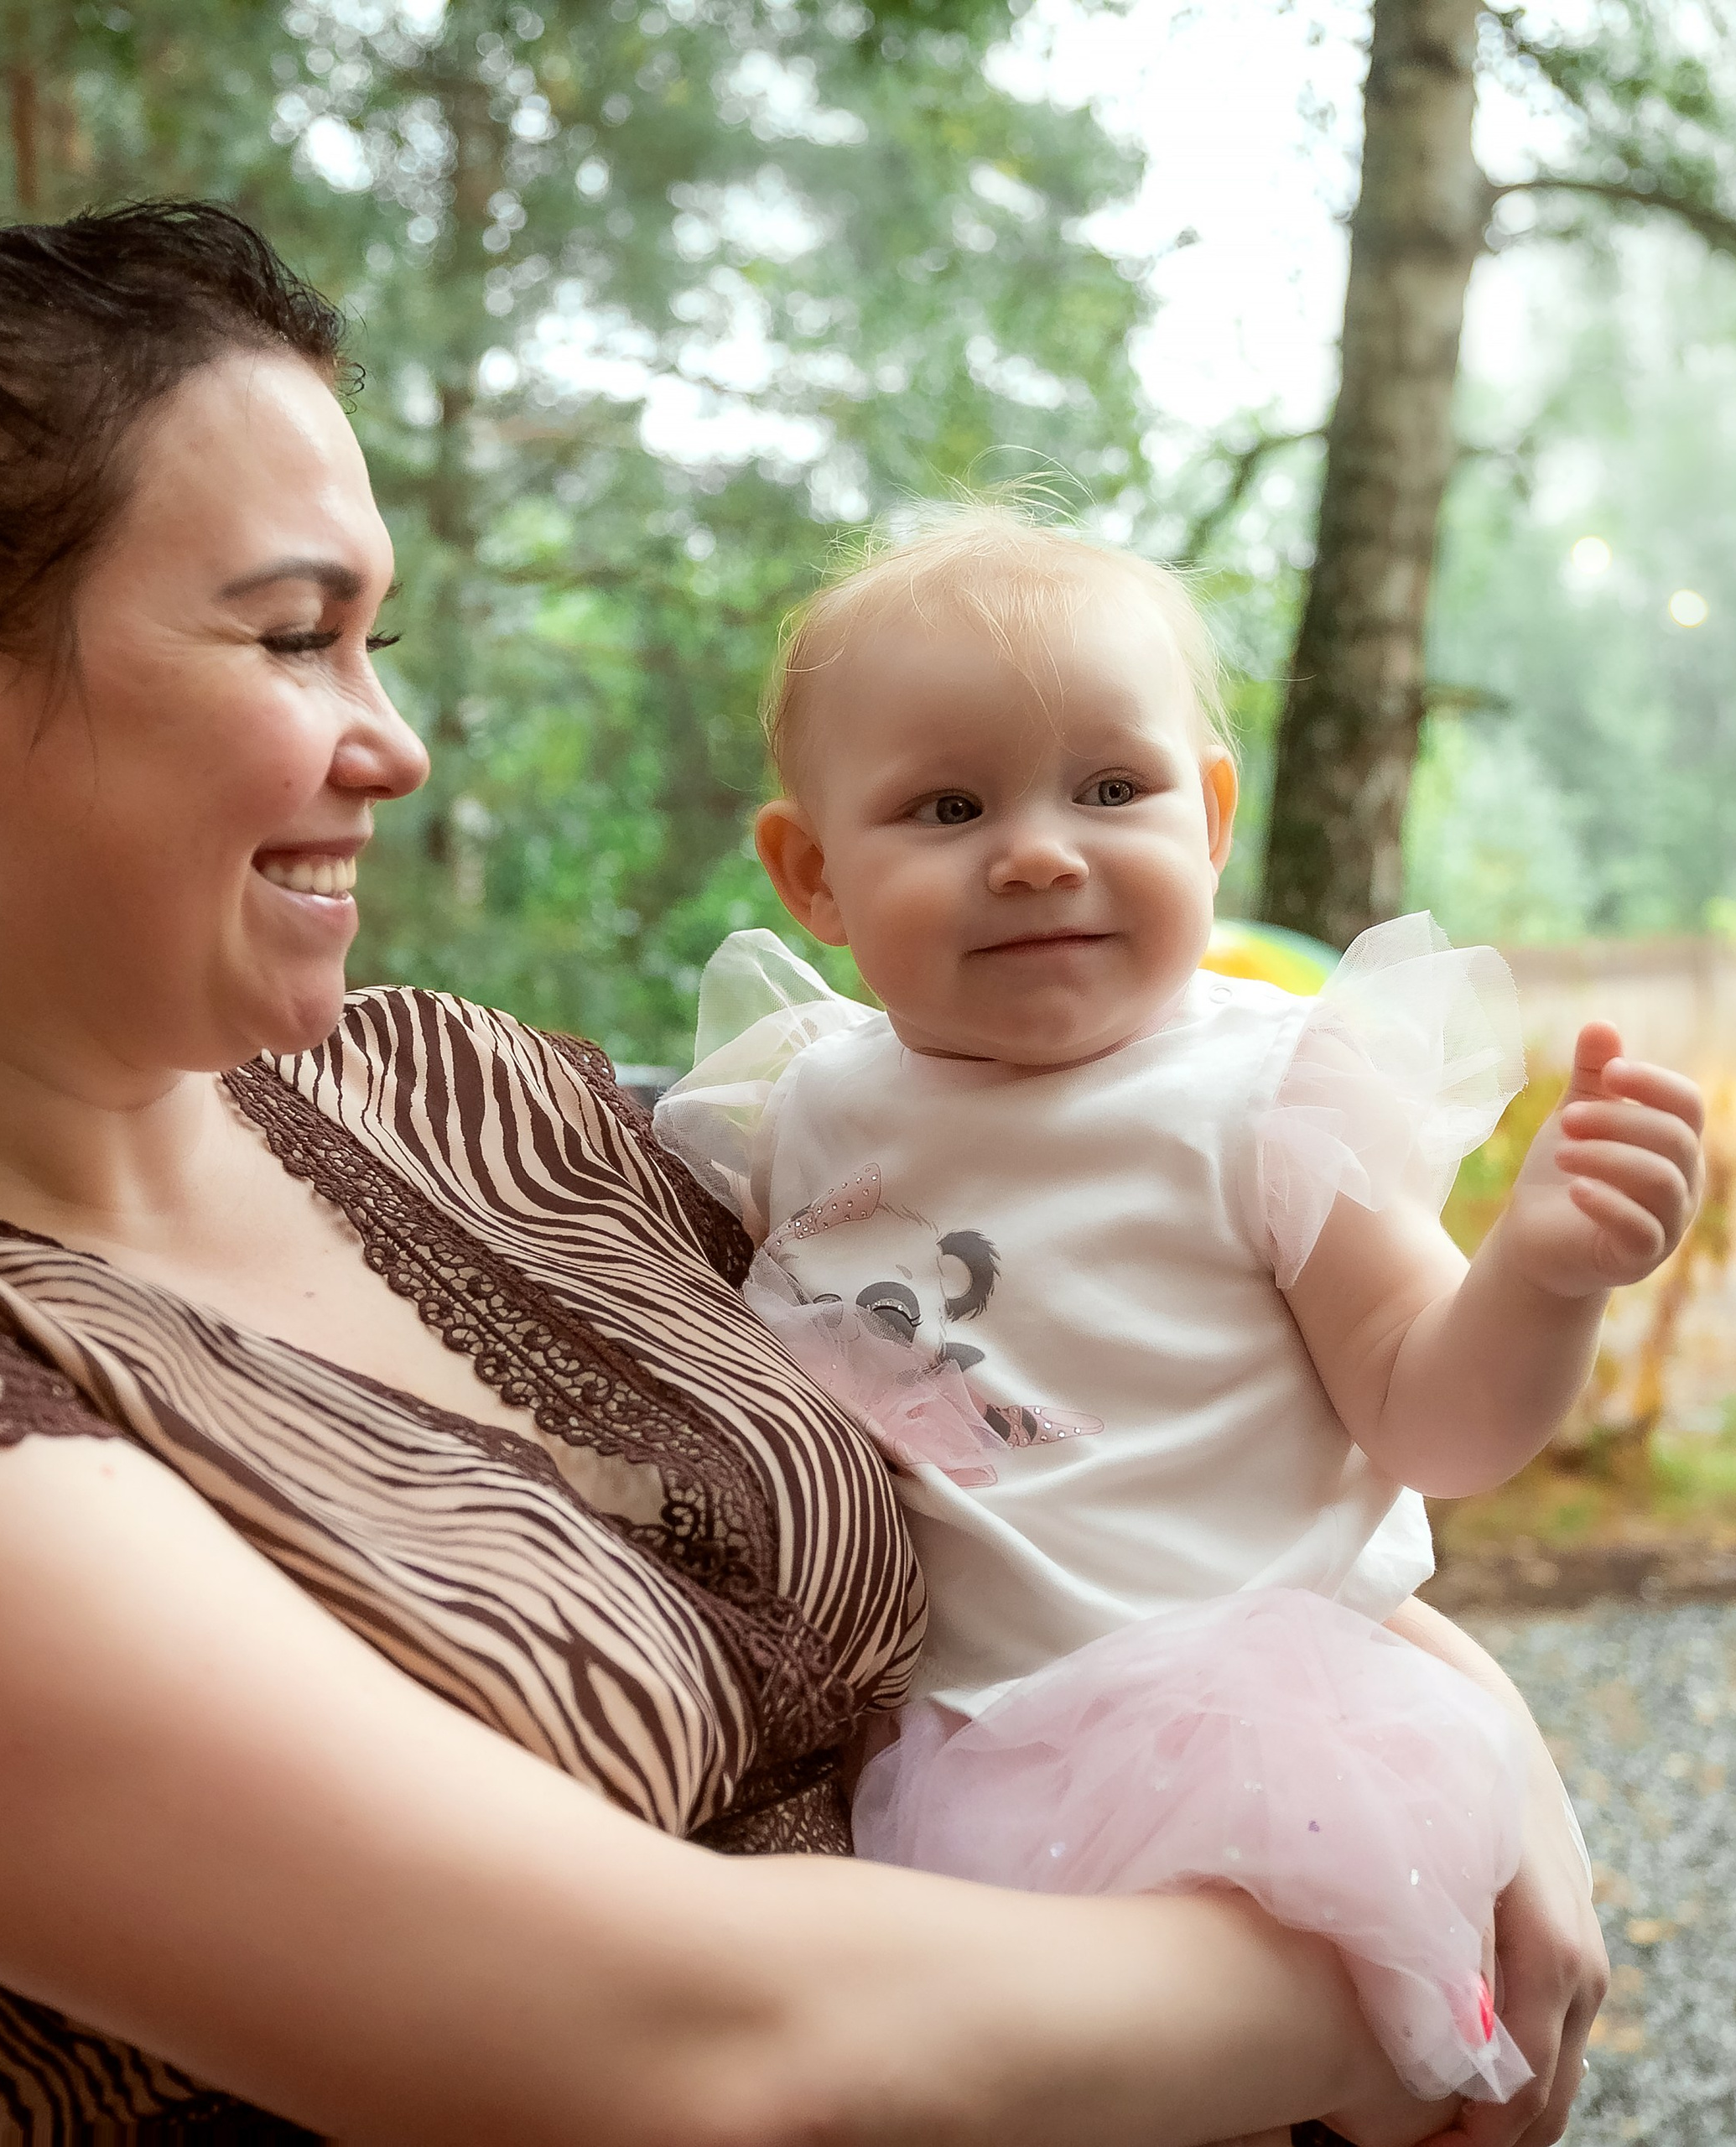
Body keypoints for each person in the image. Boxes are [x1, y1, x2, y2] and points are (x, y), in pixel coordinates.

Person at [0, 132, 1603, 2147]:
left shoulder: (461, 1099)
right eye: (292, 636)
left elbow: (1088, 1436)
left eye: (377, 642)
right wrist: (1385, 1977)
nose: (393, 742)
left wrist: (1447, 1734)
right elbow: (689, 2049)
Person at [656, 505, 1692, 2121]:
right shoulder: (799, 1105)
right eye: (948, 806)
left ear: (1210, 816)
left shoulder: (1270, 1092)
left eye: (1110, 789)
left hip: (1247, 1738)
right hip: (943, 1745)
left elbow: (1434, 1419)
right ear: (814, 875)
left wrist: (1540, 1276)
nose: (1039, 852)